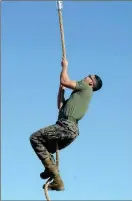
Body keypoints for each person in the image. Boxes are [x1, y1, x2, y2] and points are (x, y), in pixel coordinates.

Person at [30, 58, 103, 191]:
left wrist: (65, 66)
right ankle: (50, 168)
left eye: (88, 77)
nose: (85, 77)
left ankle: (56, 177)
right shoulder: (78, 96)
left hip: (66, 126)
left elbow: (65, 80)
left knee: (35, 138)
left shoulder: (86, 87)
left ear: (91, 82)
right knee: (45, 146)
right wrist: (61, 91)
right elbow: (60, 106)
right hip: (69, 129)